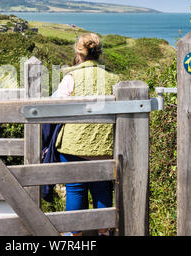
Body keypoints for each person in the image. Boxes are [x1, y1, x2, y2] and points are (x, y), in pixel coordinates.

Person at [54, 33, 120, 236]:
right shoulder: (114, 78)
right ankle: (104, 232)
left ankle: (74, 235)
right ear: (99, 53)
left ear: (78, 53)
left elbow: (54, 106)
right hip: (104, 146)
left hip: (73, 145)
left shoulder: (71, 78)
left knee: (74, 189)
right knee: (102, 190)